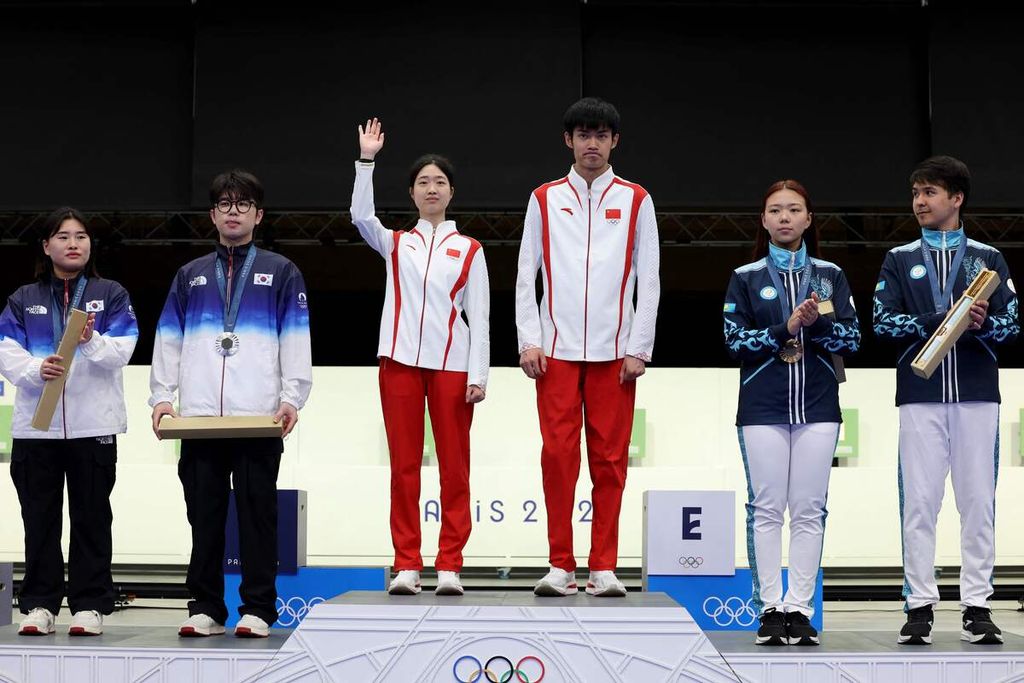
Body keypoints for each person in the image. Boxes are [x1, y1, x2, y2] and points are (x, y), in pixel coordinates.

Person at [149, 169, 312, 638]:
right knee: (204, 513)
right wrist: (162, 398)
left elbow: (296, 338)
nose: (233, 212)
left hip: (259, 415)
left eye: (243, 204)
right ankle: (205, 606)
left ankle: (258, 608)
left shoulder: (282, 272)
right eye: (225, 204)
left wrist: (291, 396)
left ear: (258, 215)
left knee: (258, 513)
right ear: (212, 216)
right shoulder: (190, 275)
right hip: (198, 418)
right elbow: (168, 339)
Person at [515, 97, 660, 597]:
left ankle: (603, 566)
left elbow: (651, 280)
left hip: (615, 356)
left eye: (601, 135)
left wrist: (639, 346)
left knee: (610, 460)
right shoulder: (544, 197)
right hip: (554, 353)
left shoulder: (638, 199)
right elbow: (525, 274)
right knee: (557, 457)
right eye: (583, 135)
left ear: (614, 141)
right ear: (568, 141)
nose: (592, 144)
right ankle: (561, 564)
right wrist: (529, 340)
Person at [873, 156, 1018, 646]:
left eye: (930, 192)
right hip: (919, 395)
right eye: (916, 192)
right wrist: (937, 317)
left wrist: (980, 323)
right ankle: (919, 605)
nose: (919, 201)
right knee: (919, 502)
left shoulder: (988, 258)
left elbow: (1013, 324)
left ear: (956, 199)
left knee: (978, 501)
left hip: (977, 393)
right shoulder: (898, 259)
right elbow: (882, 321)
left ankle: (977, 605)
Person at [350, 118, 489, 597]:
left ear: (452, 193)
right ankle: (407, 563)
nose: (432, 189)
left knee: (455, 468)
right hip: (399, 363)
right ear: (411, 193)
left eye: (440, 182)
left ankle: (450, 564)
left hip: (453, 365)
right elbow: (360, 217)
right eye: (423, 182)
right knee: (404, 466)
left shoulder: (470, 249)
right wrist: (366, 161)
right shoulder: (395, 243)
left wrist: (480, 375)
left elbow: (482, 318)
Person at [723, 181, 860, 646]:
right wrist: (785, 326)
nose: (784, 217)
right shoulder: (745, 276)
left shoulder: (830, 276)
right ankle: (768, 609)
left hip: (819, 407)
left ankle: (800, 608)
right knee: (766, 509)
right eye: (775, 210)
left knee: (808, 509)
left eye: (794, 210)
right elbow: (734, 342)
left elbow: (853, 340)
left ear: (808, 219)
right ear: (763, 221)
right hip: (762, 407)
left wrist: (816, 324)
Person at [0, 207, 138, 636]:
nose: (73, 243)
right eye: (62, 236)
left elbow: (123, 351)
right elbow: (6, 350)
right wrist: (35, 370)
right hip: (35, 429)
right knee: (38, 518)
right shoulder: (23, 298)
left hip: (92, 427)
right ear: (46, 245)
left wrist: (90, 340)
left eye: (80, 236)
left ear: (90, 245)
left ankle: (90, 604)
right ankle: (39, 605)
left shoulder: (110, 293)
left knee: (92, 517)